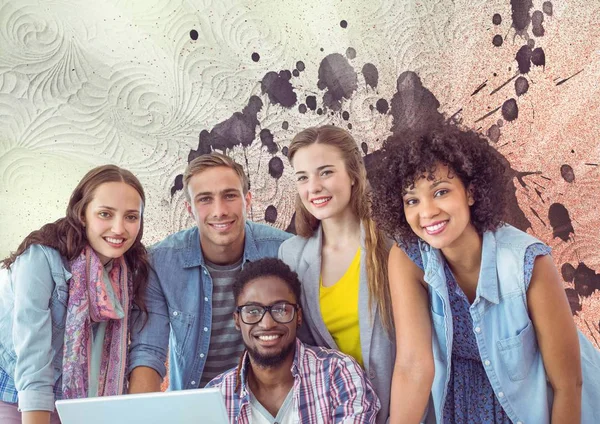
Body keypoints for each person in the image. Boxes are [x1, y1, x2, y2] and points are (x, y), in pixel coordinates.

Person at [369, 124, 600, 424]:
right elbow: (414, 367)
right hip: (460, 402)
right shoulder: (408, 259)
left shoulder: (529, 262)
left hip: (539, 404)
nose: (426, 212)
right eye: (412, 200)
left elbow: (568, 385)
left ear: (471, 192)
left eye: (440, 191)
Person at [128, 152, 291, 393]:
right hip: (196, 405)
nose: (219, 210)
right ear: (190, 209)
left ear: (247, 200)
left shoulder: (285, 251)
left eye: (230, 196)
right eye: (205, 199)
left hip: (272, 402)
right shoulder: (160, 262)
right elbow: (148, 351)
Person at [0, 165, 149, 424]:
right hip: (16, 392)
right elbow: (33, 359)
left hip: (79, 405)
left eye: (131, 217)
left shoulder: (129, 270)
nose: (119, 229)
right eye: (105, 214)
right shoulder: (40, 258)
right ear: (82, 213)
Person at [278, 125, 394, 424]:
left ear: (353, 174)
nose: (313, 187)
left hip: (403, 411)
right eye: (303, 177)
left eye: (325, 172)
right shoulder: (291, 255)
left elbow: (419, 356)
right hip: (337, 414)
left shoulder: (393, 244)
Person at [207, 257, 380, 424]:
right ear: (237, 320)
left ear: (298, 316)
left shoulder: (340, 375)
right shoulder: (216, 396)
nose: (267, 323)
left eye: (281, 309)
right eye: (252, 311)